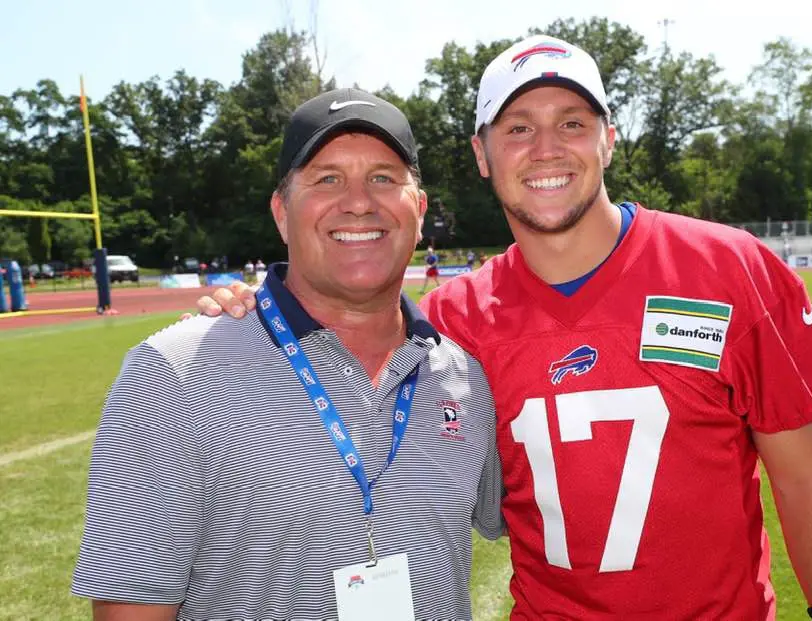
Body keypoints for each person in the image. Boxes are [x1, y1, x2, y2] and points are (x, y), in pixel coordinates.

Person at [194, 37, 812, 621]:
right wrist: (246, 310)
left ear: (608, 139)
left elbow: (802, 474)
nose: (545, 148)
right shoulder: (449, 320)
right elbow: (326, 343)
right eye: (517, 127)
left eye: (572, 123)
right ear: (481, 152)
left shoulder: (728, 270)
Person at [72, 88, 504, 621]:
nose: (359, 201)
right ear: (282, 212)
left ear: (417, 209)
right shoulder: (176, 374)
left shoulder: (463, 377)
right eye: (327, 178)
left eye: (383, 178)